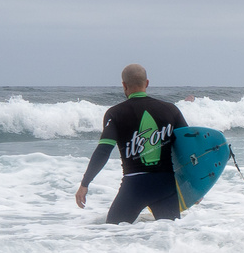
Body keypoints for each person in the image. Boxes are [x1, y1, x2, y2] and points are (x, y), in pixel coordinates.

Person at [74, 64, 189, 223]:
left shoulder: (115, 113)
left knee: (113, 235)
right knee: (170, 238)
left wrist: (85, 183)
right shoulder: (171, 110)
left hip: (135, 186)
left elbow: (103, 151)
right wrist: (194, 186)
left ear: (124, 85)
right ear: (147, 83)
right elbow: (187, 148)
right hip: (165, 185)